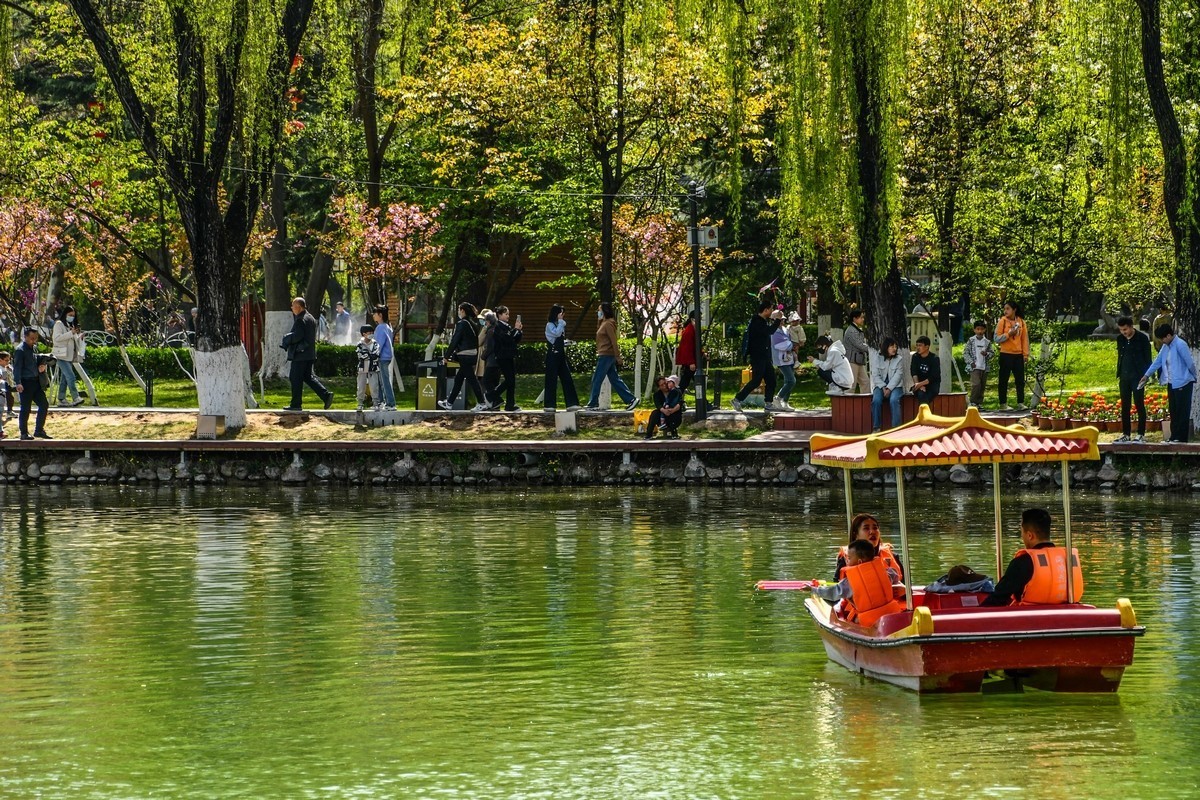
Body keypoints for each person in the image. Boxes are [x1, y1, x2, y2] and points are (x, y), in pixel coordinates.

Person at [982, 508, 1083, 606]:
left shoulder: (1023, 562)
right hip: (1068, 615)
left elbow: (997, 598)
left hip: (1030, 618)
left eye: (1022, 533)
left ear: (1030, 535)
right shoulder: (1069, 559)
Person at [813, 539, 905, 626]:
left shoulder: (850, 582)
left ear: (859, 561)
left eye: (849, 558)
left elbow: (832, 593)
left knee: (853, 619)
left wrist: (814, 590)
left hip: (869, 622)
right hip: (892, 615)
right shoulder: (886, 573)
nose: (847, 561)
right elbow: (895, 574)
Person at [1139, 324, 1197, 443]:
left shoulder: (1180, 344)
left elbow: (1189, 362)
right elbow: (1158, 361)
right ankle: (1173, 436)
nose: (1162, 341)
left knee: (1182, 411)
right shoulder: (1166, 347)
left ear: (1169, 335)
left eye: (1163, 338)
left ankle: (1181, 437)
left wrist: (1193, 376)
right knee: (1174, 410)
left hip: (1183, 382)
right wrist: (1146, 375)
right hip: (1172, 382)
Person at [584, 302, 639, 411]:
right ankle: (631, 399)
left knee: (597, 379)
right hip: (605, 354)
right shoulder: (604, 323)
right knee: (614, 379)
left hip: (606, 355)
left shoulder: (609, 324)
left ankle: (593, 403)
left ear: (604, 311)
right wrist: (599, 321)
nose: (598, 312)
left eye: (599, 310)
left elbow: (613, 341)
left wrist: (618, 356)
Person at [282, 297, 333, 411]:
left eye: (293, 306)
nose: (292, 308)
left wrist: (287, 338)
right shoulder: (310, 318)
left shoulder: (300, 319)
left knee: (295, 378)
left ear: (299, 307)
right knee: (307, 377)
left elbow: (297, 336)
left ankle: (296, 404)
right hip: (309, 354)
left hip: (300, 355)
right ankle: (326, 395)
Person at [731, 302, 782, 412]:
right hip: (758, 357)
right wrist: (778, 320)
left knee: (771, 379)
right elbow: (770, 331)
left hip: (764, 357)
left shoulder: (762, 321)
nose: (771, 312)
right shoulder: (756, 322)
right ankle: (737, 399)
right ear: (766, 310)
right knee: (756, 381)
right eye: (771, 309)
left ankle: (768, 403)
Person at [439, 302, 489, 411]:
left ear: (462, 311)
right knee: (459, 379)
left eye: (459, 310)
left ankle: (482, 402)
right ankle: (449, 403)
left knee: (472, 379)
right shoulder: (473, 323)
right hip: (472, 354)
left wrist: (446, 356)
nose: (458, 313)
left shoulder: (462, 323)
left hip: (464, 355)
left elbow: (455, 340)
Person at [834, 512, 905, 582]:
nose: (872, 532)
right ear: (855, 535)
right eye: (866, 528)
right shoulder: (845, 559)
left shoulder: (892, 556)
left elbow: (905, 587)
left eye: (875, 528)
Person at [1116, 315, 1152, 442]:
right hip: (1124, 377)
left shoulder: (1142, 338)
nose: (1123, 332)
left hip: (1138, 376)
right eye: (1121, 329)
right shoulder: (1120, 339)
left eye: (1125, 329)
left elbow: (1148, 358)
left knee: (1139, 404)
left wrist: (1147, 375)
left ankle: (1141, 433)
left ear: (1131, 327)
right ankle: (1126, 433)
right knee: (1125, 405)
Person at [13, 327, 51, 439]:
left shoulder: (34, 348)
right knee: (25, 408)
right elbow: (17, 368)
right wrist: (18, 382)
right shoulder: (20, 350)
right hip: (25, 382)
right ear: (25, 337)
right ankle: (24, 433)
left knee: (44, 404)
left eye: (35, 338)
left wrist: (41, 367)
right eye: (31, 338)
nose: (33, 340)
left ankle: (39, 430)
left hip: (36, 382)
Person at [543, 303, 581, 412]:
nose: (562, 316)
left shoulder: (560, 324)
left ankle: (572, 403)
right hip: (552, 355)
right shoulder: (550, 325)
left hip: (561, 355)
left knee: (567, 378)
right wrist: (560, 323)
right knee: (551, 380)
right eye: (561, 313)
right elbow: (556, 334)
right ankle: (549, 405)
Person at [994, 300, 1029, 410]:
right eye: (1004, 309)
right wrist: (1008, 334)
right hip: (1006, 354)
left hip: (1018, 355)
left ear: (1015, 310)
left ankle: (1021, 403)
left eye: (1008, 309)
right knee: (1003, 380)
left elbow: (1025, 339)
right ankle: (1003, 403)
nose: (1005, 311)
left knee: (1020, 380)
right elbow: (996, 338)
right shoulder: (1002, 322)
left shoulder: (1021, 322)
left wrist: (1025, 354)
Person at [487, 306, 523, 411]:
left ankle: (510, 404)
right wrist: (515, 330)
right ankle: (491, 395)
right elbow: (506, 339)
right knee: (509, 380)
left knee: (512, 380)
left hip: (509, 355)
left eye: (508, 314)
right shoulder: (497, 327)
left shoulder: (507, 326)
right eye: (505, 314)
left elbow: (514, 339)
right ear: (499, 315)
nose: (508, 316)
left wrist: (518, 331)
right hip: (502, 356)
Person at [51, 306, 84, 407]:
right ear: (65, 314)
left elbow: (72, 339)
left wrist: (79, 336)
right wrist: (71, 333)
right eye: (70, 315)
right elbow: (57, 338)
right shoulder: (59, 324)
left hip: (69, 356)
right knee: (71, 376)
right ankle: (75, 397)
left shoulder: (70, 325)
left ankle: (61, 399)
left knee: (64, 378)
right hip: (61, 355)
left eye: (73, 315)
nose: (72, 317)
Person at [871, 336, 904, 432]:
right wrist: (883, 387)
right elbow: (875, 375)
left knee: (894, 400)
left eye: (895, 347)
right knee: (876, 400)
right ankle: (876, 428)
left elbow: (898, 376)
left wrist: (889, 388)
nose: (894, 349)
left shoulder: (899, 359)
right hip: (880, 385)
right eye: (891, 347)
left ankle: (896, 428)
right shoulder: (877, 358)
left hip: (895, 386)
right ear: (886, 347)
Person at [963, 320, 993, 408]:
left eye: (982, 329)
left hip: (984, 367)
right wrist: (971, 362)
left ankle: (979, 403)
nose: (980, 331)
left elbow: (992, 353)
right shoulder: (971, 341)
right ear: (974, 330)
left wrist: (986, 354)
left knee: (982, 385)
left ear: (984, 330)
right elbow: (966, 353)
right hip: (974, 367)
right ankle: (972, 402)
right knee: (976, 384)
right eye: (978, 329)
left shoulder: (987, 342)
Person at [372, 305, 397, 410]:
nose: (373, 315)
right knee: (382, 380)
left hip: (382, 358)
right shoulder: (387, 326)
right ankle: (381, 402)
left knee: (385, 380)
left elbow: (379, 344)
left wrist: (374, 355)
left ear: (380, 315)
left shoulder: (380, 327)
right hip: (387, 357)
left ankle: (391, 403)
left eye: (375, 313)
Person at [770, 319, 797, 411]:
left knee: (787, 381)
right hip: (781, 359)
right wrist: (791, 345)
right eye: (780, 320)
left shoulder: (785, 329)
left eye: (783, 319)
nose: (782, 321)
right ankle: (778, 398)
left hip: (789, 358)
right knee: (791, 380)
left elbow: (789, 341)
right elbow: (780, 345)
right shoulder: (774, 331)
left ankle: (785, 403)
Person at [355, 324, 382, 412]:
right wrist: (368, 355)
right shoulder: (360, 344)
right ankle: (360, 403)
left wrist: (367, 355)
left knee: (374, 385)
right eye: (369, 332)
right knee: (361, 385)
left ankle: (376, 403)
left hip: (373, 367)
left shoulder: (375, 343)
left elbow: (376, 354)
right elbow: (360, 355)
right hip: (363, 366)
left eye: (372, 332)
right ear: (364, 334)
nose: (371, 334)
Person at [843, 308, 870, 393]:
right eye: (861, 317)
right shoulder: (851, 331)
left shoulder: (856, 329)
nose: (863, 319)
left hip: (858, 360)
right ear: (855, 318)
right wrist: (872, 350)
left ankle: (866, 402)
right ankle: (847, 403)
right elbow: (859, 345)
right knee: (852, 384)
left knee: (865, 382)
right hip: (852, 361)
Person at [909, 335, 940, 406]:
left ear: (927, 347)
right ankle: (925, 414)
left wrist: (921, 384)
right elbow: (913, 372)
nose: (917, 348)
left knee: (925, 397)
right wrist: (918, 384)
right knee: (921, 394)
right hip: (919, 385)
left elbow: (933, 376)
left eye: (920, 345)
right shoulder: (915, 357)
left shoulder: (934, 358)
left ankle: (924, 414)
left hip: (931, 385)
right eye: (917, 345)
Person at [476, 309, 498, 408]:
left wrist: (483, 356)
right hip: (487, 359)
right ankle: (492, 401)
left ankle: (489, 401)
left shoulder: (488, 330)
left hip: (486, 358)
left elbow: (479, 341)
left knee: (486, 381)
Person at [675, 312, 698, 393]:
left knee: (685, 382)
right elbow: (687, 348)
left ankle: (676, 399)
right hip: (690, 362)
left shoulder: (691, 329)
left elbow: (694, 346)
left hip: (690, 361)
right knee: (696, 382)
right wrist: (691, 362)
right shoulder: (689, 331)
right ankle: (704, 402)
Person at [0, 350, 14, 421]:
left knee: (10, 398)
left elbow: (12, 372)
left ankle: (9, 411)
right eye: (6, 360)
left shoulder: (7, 366)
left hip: (6, 384)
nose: (8, 362)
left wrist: (9, 369)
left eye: (9, 360)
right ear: (0, 360)